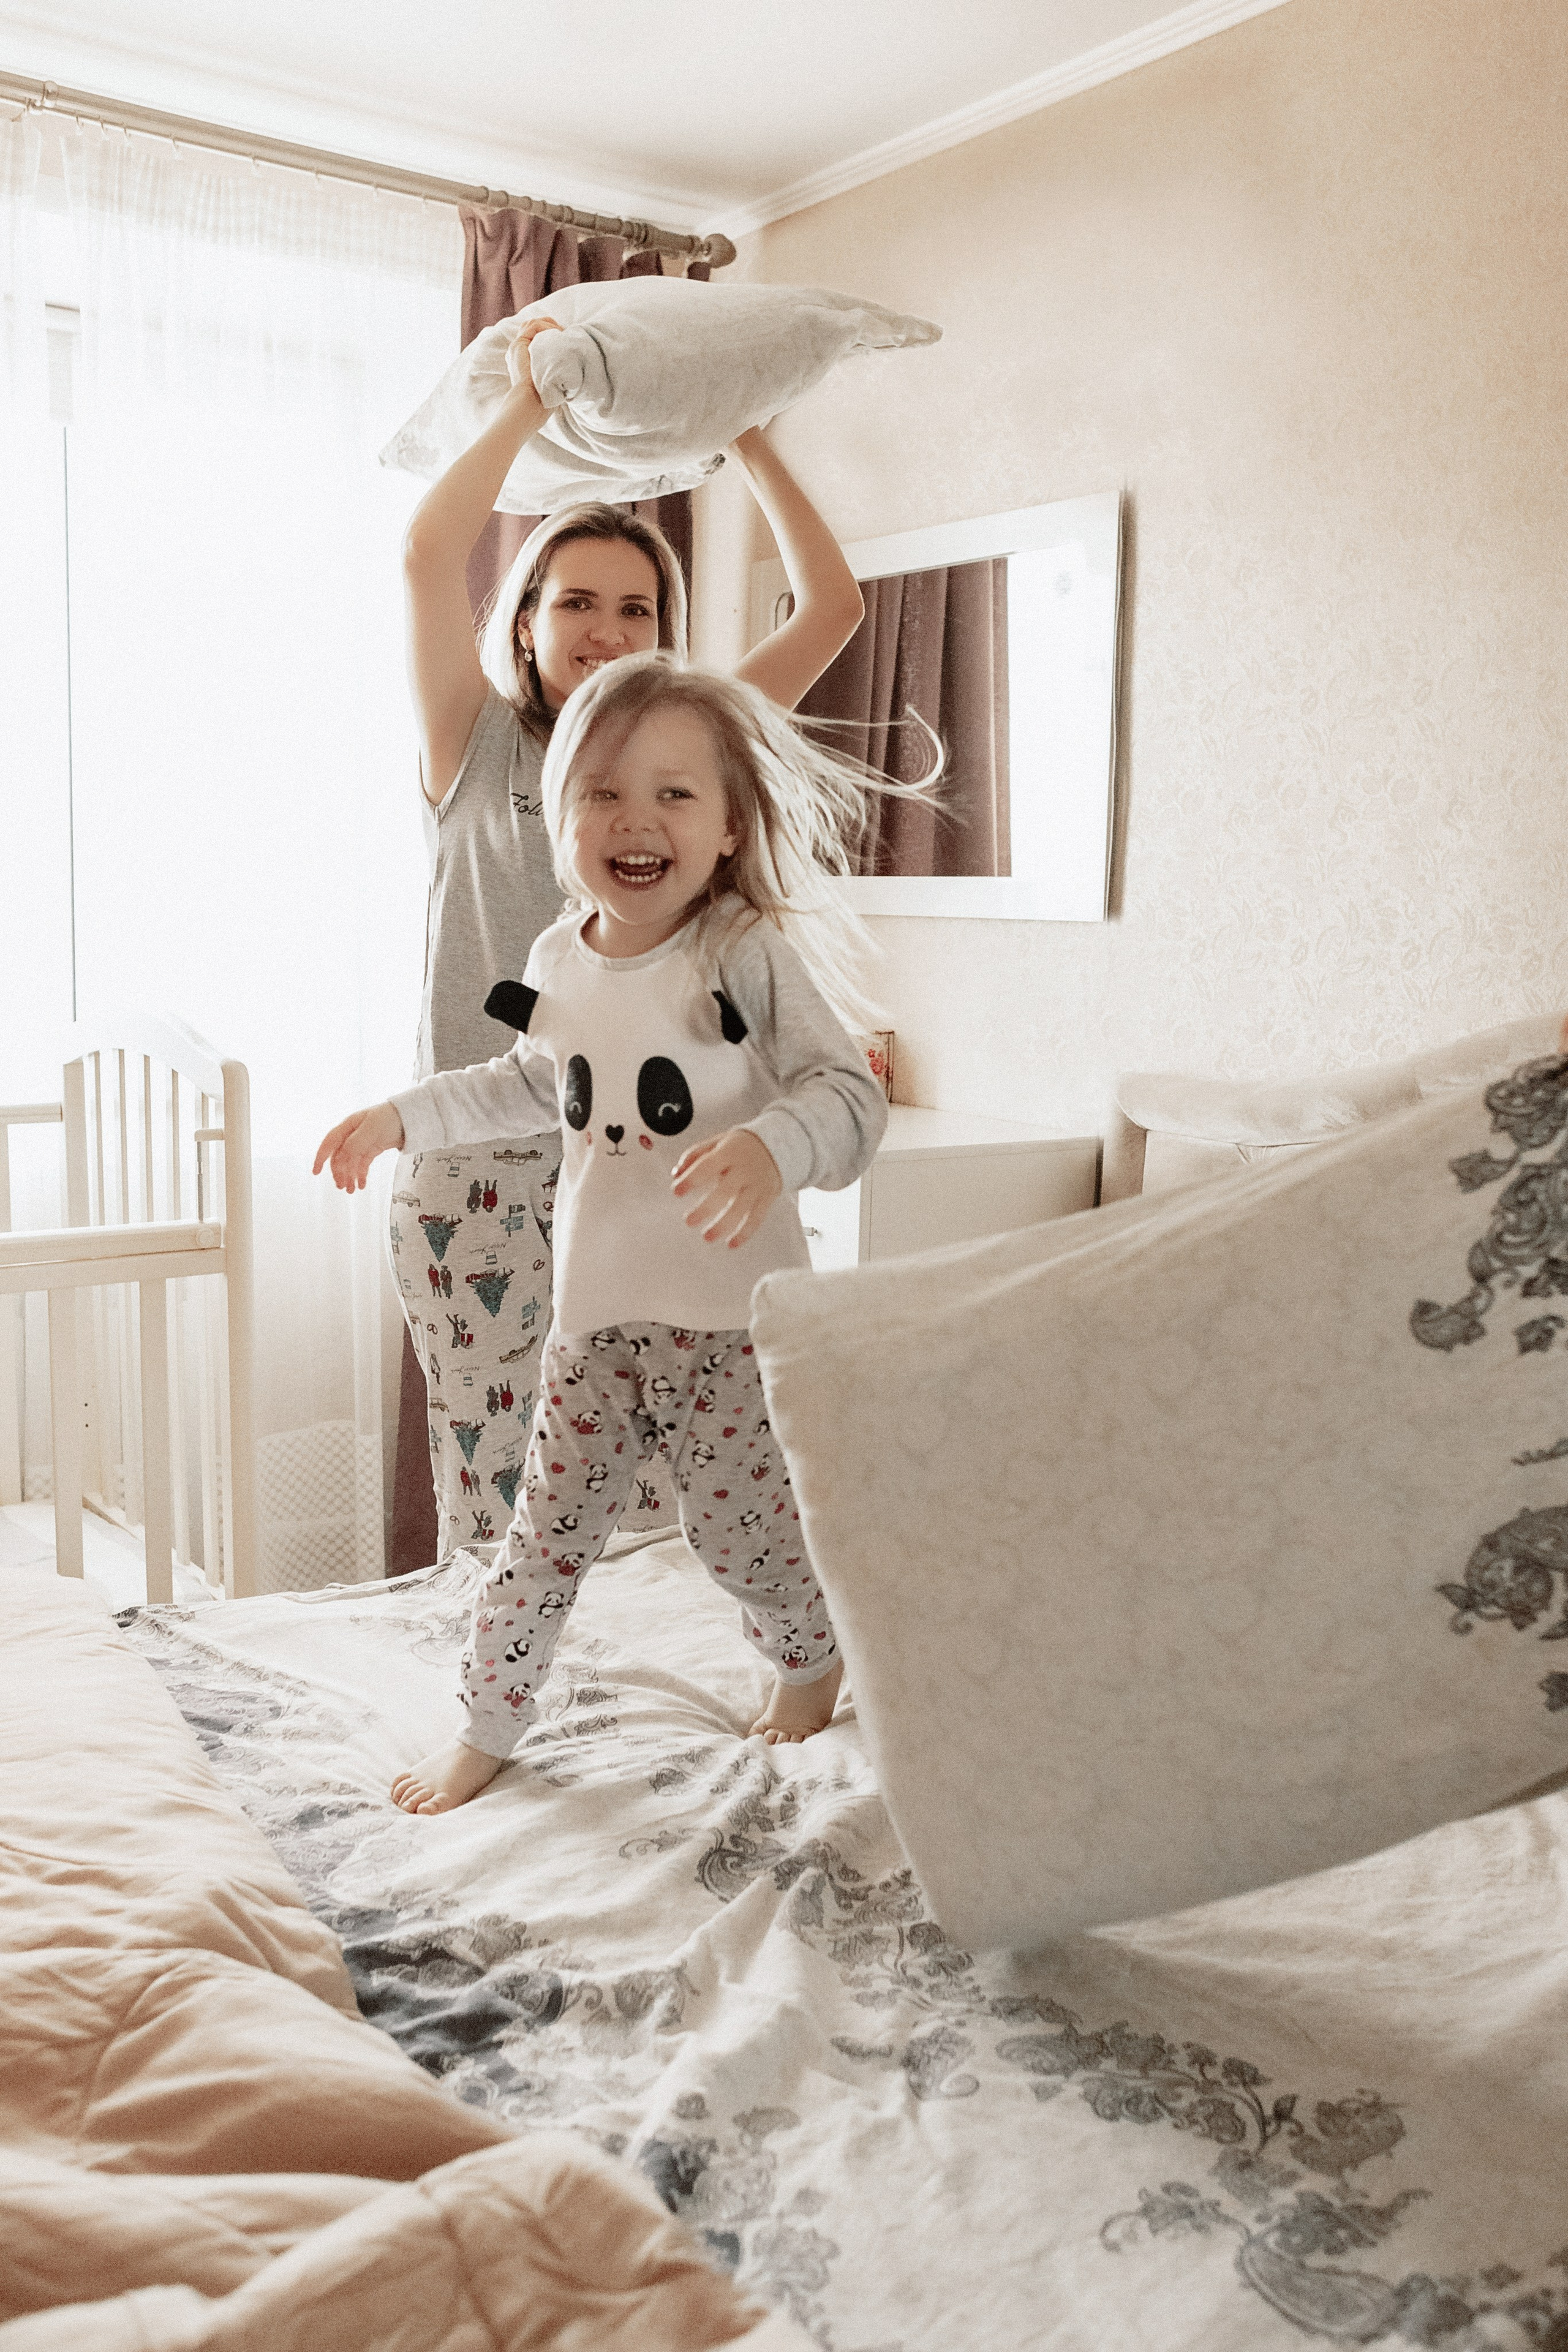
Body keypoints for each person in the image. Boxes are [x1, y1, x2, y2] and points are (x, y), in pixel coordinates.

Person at [316, 654, 899, 1812]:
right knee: (541, 1539)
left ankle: (808, 1655)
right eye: (602, 793)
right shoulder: (556, 961)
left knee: (738, 1540)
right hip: (595, 1322)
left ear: (731, 825)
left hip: (731, 1327)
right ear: (561, 819)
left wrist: (774, 1146)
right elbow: (528, 1085)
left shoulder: (740, 953)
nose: (636, 821)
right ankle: (488, 1721)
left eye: (675, 795)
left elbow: (850, 1095)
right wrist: (402, 1117)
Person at [395, 312, 865, 1564]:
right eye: (576, 602)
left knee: (661, 1483)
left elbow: (831, 606)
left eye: (636, 608)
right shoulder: (474, 742)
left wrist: (746, 433)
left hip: (643, 1159)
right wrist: (530, 407)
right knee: (502, 1490)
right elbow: (425, 551)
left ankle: (632, 1708)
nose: (605, 630)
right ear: (529, 619)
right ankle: (498, 1694)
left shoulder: (690, 746)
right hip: (480, 1161)